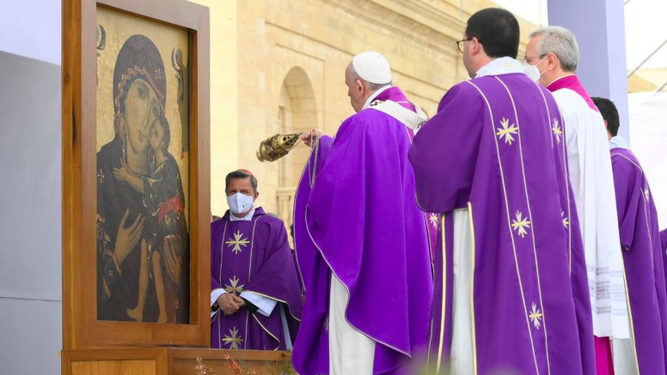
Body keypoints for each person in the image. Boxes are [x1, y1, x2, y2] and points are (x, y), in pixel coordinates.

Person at [409, 8, 595, 374]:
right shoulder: (546, 101)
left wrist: (420, 130)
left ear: (475, 44)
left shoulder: (471, 95)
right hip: (542, 245)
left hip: (484, 238)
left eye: (464, 44)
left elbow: (435, 170)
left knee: (478, 334)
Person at [291, 51, 434, 375]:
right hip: (409, 259)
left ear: (359, 86)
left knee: (359, 349)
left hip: (365, 264)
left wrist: (323, 152)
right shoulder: (417, 122)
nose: (347, 95)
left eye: (346, 87)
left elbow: (334, 194)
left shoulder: (363, 124)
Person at [525, 26, 630, 374]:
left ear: (550, 61)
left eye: (530, 62)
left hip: (564, 240)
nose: (528, 71)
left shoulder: (553, 106)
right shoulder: (587, 108)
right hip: (591, 236)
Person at [97, 34, 187, 323]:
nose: (150, 111)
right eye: (141, 93)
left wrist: (177, 265)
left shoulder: (166, 173)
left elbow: (179, 249)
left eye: (157, 104)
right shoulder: (102, 168)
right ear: (120, 102)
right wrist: (118, 255)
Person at [592, 96, 667, 374]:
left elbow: (606, 222)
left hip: (626, 275)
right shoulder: (624, 160)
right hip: (635, 272)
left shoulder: (619, 162)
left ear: (601, 125)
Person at [210, 169, 302, 350]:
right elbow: (199, 268)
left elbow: (279, 268)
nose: (238, 196)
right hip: (219, 312)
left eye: (244, 192)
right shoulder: (212, 230)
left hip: (258, 317)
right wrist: (217, 294)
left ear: (255, 195)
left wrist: (247, 299)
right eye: (232, 192)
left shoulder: (272, 227)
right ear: (226, 194)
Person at [114, 116, 188, 323]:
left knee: (161, 263)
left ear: (164, 142)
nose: (151, 136)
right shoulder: (154, 163)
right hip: (157, 220)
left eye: (156, 134)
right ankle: (141, 309)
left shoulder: (168, 164)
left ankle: (167, 312)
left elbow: (153, 189)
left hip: (169, 223)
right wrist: (129, 173)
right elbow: (147, 181)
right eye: (151, 132)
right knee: (147, 259)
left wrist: (127, 177)